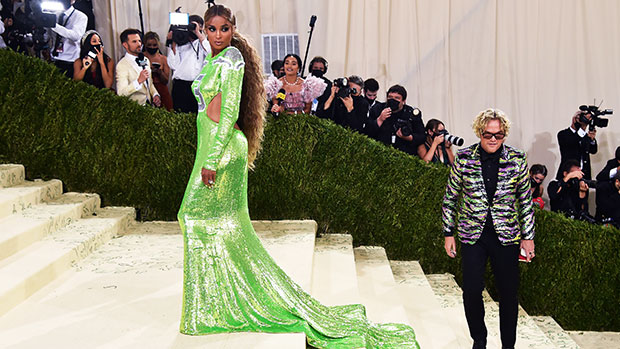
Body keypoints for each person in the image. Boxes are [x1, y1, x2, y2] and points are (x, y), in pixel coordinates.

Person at [177, 4, 419, 348]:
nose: (217, 36)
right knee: (213, 222)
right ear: (204, 30)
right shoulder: (215, 58)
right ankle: (218, 301)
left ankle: (217, 304)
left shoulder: (231, 59)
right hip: (213, 144)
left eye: (224, 29)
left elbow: (229, 110)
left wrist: (213, 159)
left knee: (197, 217)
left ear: (233, 29)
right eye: (211, 29)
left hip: (223, 147)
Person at [442, 108, 535, 349]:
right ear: (479, 133)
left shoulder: (517, 158)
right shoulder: (464, 158)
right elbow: (451, 197)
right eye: (488, 134)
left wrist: (528, 237)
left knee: (508, 294)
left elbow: (525, 200)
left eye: (499, 135)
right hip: (473, 235)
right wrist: (448, 233)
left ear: (504, 134)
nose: (493, 139)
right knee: (471, 290)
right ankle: (479, 340)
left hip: (507, 236)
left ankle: (508, 346)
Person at [167, 14, 210, 114]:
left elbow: (210, 53)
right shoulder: (180, 41)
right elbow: (173, 65)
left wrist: (198, 33)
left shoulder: (203, 43)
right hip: (180, 86)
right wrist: (172, 43)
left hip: (198, 86)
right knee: (180, 117)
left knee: (198, 117)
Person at [365, 84, 425, 155]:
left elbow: (422, 137)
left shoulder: (411, 113)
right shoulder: (377, 109)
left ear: (404, 101)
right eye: (390, 97)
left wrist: (409, 137)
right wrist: (380, 119)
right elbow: (366, 132)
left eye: (397, 98)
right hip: (380, 153)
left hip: (404, 154)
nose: (393, 100)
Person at [115, 28, 161, 107]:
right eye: (134, 41)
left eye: (139, 41)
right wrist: (138, 81)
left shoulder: (145, 60)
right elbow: (121, 93)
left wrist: (155, 95)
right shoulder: (122, 65)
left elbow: (149, 83)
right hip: (134, 110)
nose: (139, 44)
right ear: (125, 45)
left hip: (149, 107)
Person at [50, 0, 87, 78]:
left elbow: (75, 36)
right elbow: (49, 35)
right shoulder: (54, 15)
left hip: (70, 61)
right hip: (53, 58)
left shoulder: (80, 16)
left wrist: (54, 26)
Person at [557, 109, 598, 180]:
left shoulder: (585, 135)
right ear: (574, 119)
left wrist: (592, 140)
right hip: (568, 173)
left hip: (584, 174)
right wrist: (583, 128)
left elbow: (593, 150)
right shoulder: (563, 134)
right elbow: (572, 143)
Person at [143, 31, 173, 111]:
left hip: (161, 89)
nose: (152, 47)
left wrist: (159, 72)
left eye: (154, 45)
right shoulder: (141, 57)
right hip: (146, 89)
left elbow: (166, 80)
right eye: (149, 45)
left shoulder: (164, 59)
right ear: (145, 44)